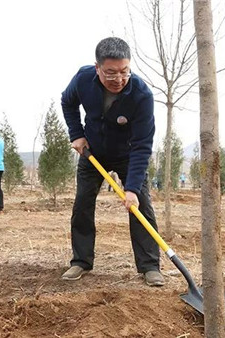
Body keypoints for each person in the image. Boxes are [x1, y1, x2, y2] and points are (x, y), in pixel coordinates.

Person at [60, 37, 164, 286]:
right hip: (93, 152)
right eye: (110, 73)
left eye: (124, 71)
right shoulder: (83, 79)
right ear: (97, 68)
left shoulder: (141, 95)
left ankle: (150, 266)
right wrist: (77, 134)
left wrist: (132, 189)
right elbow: (67, 101)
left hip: (129, 155)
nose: (118, 79)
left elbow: (142, 145)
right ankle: (81, 261)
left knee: (141, 208)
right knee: (83, 203)